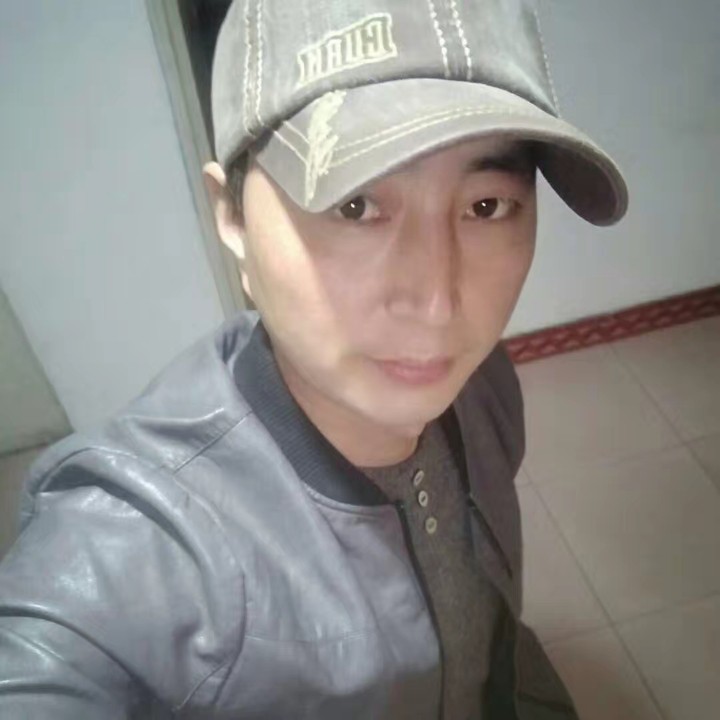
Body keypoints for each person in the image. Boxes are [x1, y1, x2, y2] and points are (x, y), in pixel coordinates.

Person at [0, 0, 628, 718]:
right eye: (355, 205)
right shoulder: (143, 543)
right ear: (231, 215)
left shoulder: (480, 382)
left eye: (485, 206)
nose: (437, 304)